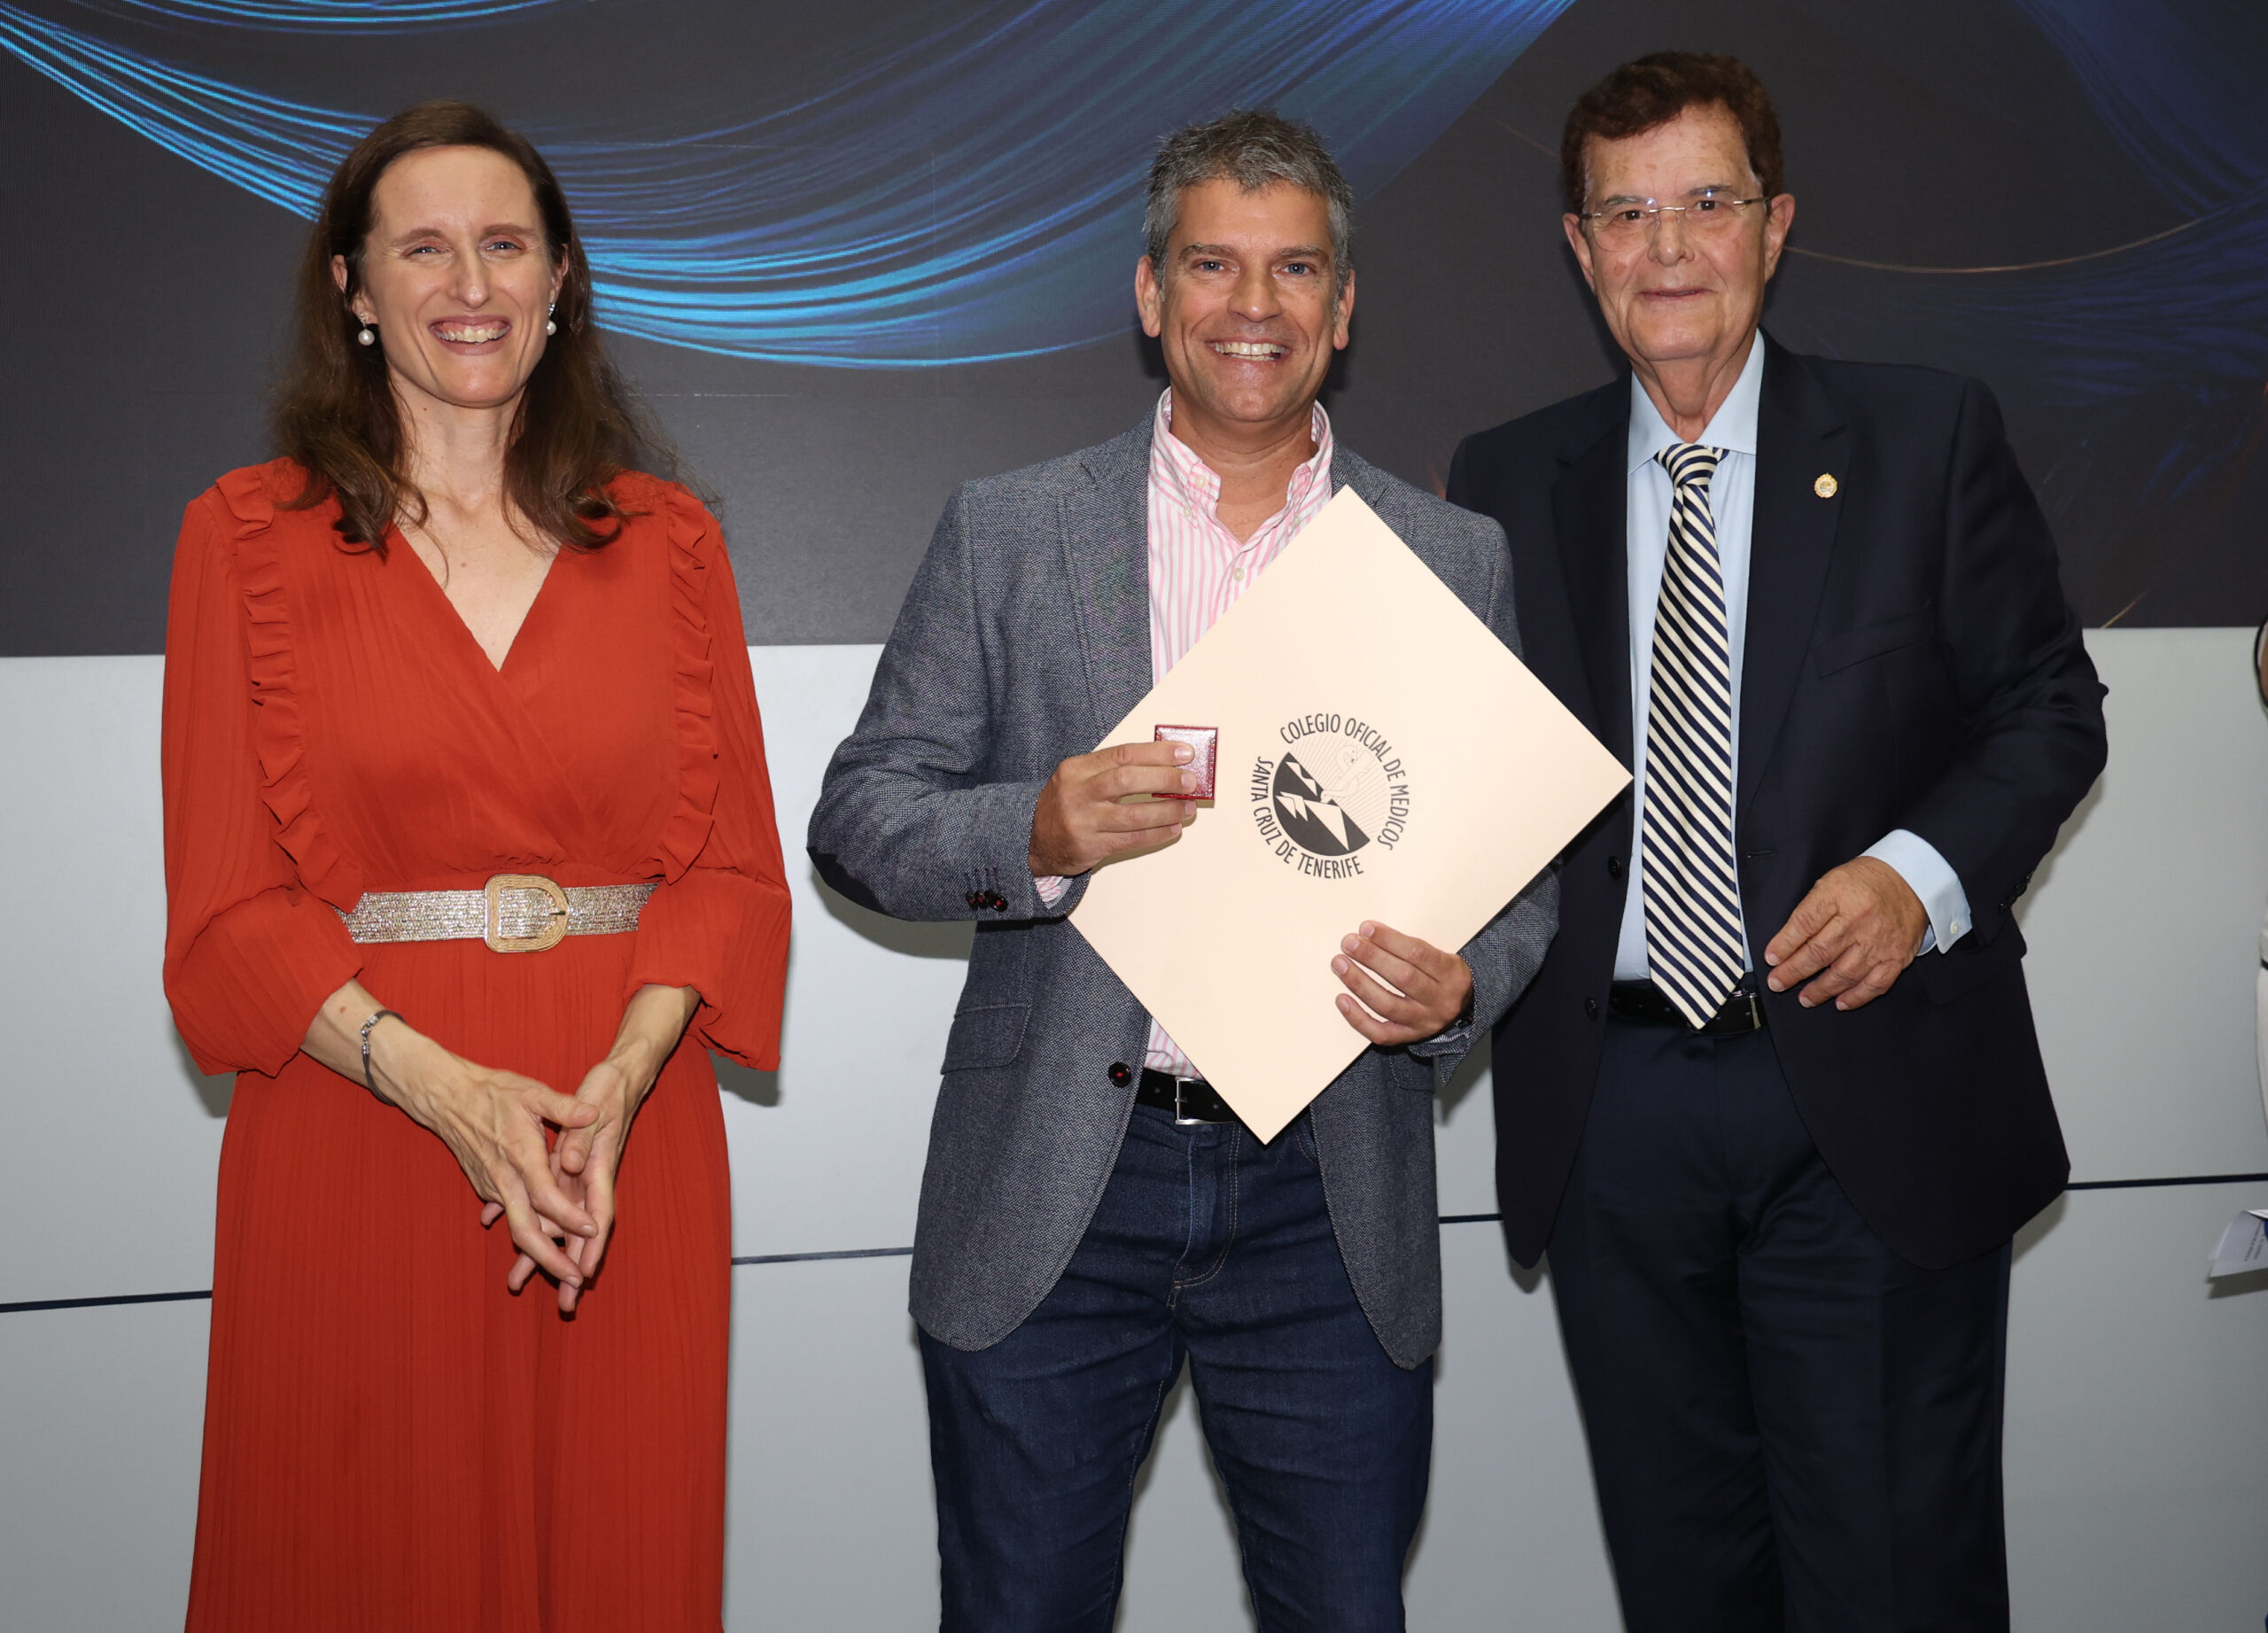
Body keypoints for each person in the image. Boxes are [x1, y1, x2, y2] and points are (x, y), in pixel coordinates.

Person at [809, 109, 1555, 1631]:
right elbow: (861, 816)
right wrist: (1034, 833)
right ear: (1152, 294)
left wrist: (1464, 986)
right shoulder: (1012, 531)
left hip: (1329, 1195)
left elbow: (1519, 879)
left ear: (1343, 307)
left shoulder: (1450, 556)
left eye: (1295, 269)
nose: (1253, 305)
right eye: (1213, 264)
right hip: (1059, 1185)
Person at [1448, 53, 2107, 1632]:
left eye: (1707, 202)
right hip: (1610, 1114)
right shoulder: (1504, 480)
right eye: (1627, 213)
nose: (1669, 247)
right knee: (1687, 1592)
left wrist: (1914, 880)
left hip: (1864, 1096)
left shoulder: (1923, 436)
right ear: (1580, 248)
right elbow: (1465, 784)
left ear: (1777, 223)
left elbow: (2048, 712)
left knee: (1892, 1587)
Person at [161, 101, 789, 1630]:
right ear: (354, 289)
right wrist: (446, 1093)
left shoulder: (672, 542)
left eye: (506, 244)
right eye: (423, 248)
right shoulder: (244, 539)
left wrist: (621, 1083)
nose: (471, 283)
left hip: (616, 1146)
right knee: (358, 1558)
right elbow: (227, 918)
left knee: (617, 1554)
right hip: (359, 1130)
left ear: (559, 279)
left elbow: (732, 879)